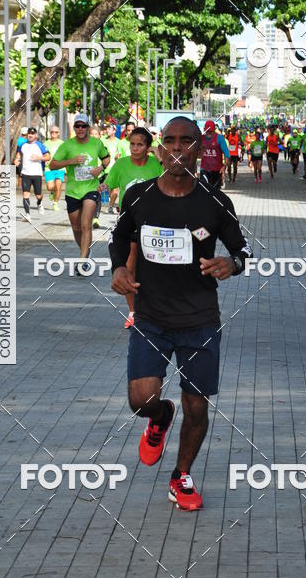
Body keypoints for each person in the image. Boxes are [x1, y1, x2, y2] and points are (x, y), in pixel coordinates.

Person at [109, 116, 251, 511]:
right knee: (141, 399)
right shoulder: (138, 196)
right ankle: (160, 415)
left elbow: (243, 248)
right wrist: (118, 268)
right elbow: (119, 237)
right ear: (159, 150)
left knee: (197, 407)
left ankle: (181, 475)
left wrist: (232, 264)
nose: (176, 148)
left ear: (199, 149)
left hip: (199, 317)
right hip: (151, 316)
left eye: (185, 141)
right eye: (169, 141)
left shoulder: (215, 202)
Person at [104, 127, 163, 327]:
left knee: (152, 270)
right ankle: (133, 311)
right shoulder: (121, 164)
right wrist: (102, 187)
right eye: (132, 144)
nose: (135, 148)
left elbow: (170, 182)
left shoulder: (155, 165)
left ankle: (154, 308)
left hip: (153, 225)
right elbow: (109, 183)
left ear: (148, 147)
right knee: (129, 268)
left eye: (140, 145)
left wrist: (159, 157)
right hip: (128, 224)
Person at [49, 115, 110, 269]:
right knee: (76, 228)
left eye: (83, 126)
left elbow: (106, 158)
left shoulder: (96, 143)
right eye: (78, 126)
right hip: (73, 191)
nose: (81, 129)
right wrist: (71, 161)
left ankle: (82, 261)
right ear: (74, 128)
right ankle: (85, 251)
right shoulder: (67, 145)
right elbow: (52, 165)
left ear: (88, 127)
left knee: (86, 225)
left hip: (91, 188)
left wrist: (101, 167)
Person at [14, 126, 49, 221]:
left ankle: (39, 203)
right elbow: (19, 153)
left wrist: (39, 158)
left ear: (36, 135)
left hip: (37, 174)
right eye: (29, 133)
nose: (30, 135)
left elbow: (48, 156)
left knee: (38, 195)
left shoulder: (40, 145)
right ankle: (27, 215)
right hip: (25, 173)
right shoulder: (23, 145)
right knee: (26, 194)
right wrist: (17, 159)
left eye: (32, 133)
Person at [199, 119, 230, 188]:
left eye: (211, 131)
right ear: (204, 130)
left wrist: (224, 166)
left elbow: (227, 154)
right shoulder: (201, 138)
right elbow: (196, 154)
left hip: (217, 170)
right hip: (204, 169)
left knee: (215, 191)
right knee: (204, 189)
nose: (209, 133)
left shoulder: (219, 138)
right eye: (207, 131)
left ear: (214, 130)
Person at [44, 126, 65, 211]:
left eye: (56, 132)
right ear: (50, 133)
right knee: (50, 187)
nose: (54, 133)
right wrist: (44, 160)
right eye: (52, 132)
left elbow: (66, 154)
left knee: (58, 185)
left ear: (58, 133)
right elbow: (43, 154)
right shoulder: (46, 143)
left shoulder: (62, 143)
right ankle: (52, 191)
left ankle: (55, 203)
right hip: (49, 168)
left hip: (60, 167)